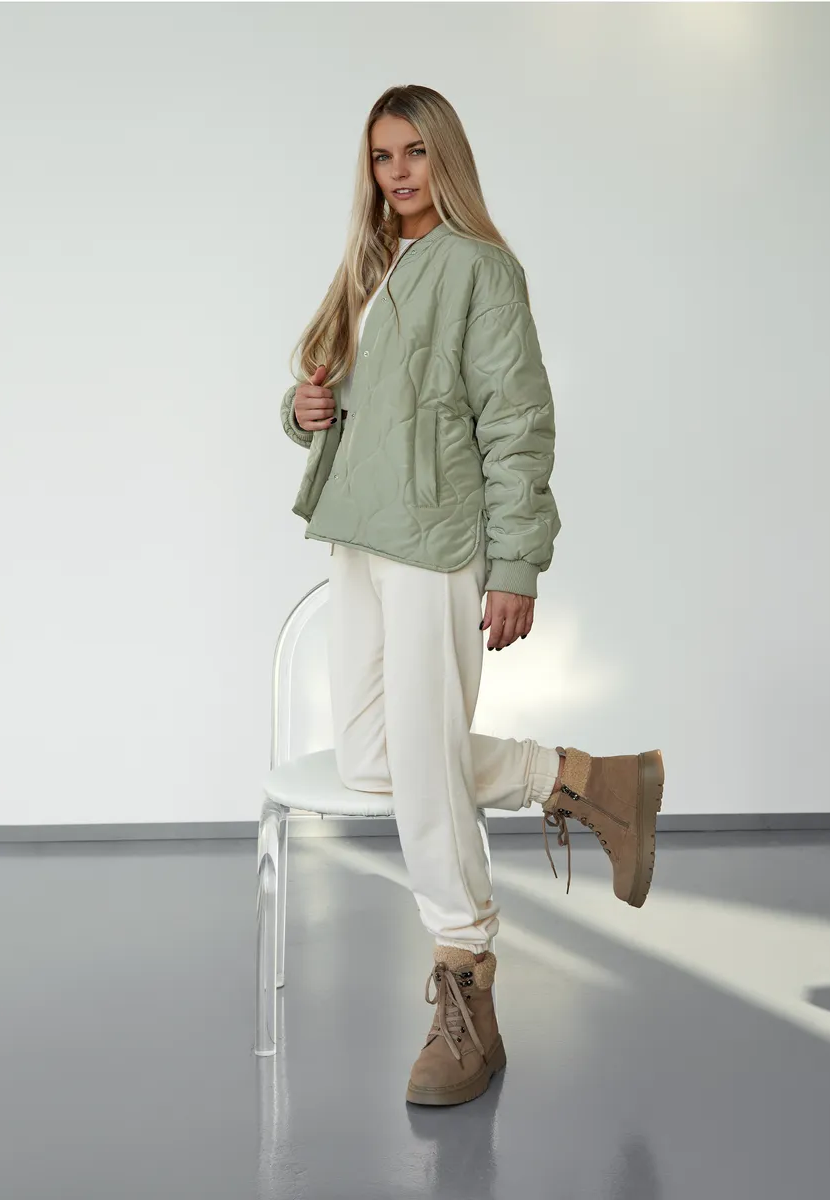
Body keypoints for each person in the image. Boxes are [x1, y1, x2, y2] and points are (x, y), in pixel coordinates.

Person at [278, 84, 665, 1107]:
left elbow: (517, 420)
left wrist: (515, 564)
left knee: (421, 753)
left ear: (444, 156)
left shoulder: (482, 269)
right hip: (359, 536)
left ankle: (465, 973)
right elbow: (338, 397)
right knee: (373, 754)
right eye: (381, 156)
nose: (397, 172)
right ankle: (581, 779)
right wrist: (303, 406)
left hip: (438, 540)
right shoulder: (369, 266)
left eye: (413, 151)